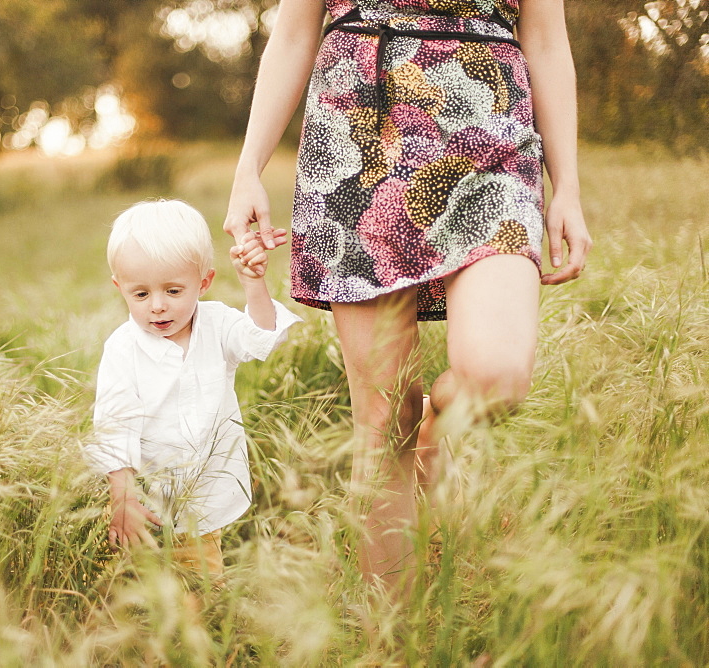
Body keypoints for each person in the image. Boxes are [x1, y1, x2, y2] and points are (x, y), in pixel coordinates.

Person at [225, 0, 592, 593]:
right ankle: (392, 639)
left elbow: (548, 42)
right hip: (357, 137)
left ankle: (434, 427)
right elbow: (294, 33)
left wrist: (567, 185)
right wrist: (249, 169)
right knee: (382, 418)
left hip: (490, 135)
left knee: (495, 378)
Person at [87, 199, 301, 576]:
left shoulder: (217, 325)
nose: (157, 307)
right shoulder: (123, 349)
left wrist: (253, 283)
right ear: (119, 287)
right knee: (134, 585)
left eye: (173, 291)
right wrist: (122, 497)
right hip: (140, 501)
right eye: (140, 294)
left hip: (203, 498)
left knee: (199, 586)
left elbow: (262, 339)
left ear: (203, 283)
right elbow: (113, 425)